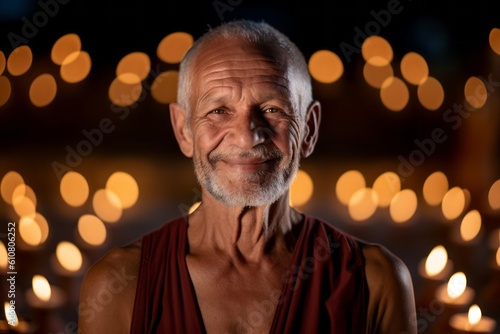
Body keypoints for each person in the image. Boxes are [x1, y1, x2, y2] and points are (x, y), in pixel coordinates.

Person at [78, 20, 417, 333]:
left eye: (272, 109)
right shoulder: (120, 286)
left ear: (310, 129)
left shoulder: (374, 282)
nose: (246, 136)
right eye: (218, 110)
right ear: (183, 130)